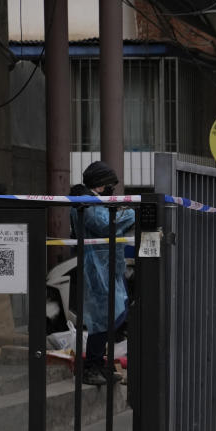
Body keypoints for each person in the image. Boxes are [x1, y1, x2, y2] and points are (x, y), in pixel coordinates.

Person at [68, 162, 134, 386]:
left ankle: (98, 362)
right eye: (109, 184)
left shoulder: (94, 201)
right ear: (100, 184)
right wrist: (132, 213)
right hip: (95, 269)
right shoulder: (85, 203)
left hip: (107, 268)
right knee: (103, 320)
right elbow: (106, 224)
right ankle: (90, 367)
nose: (112, 189)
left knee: (114, 316)